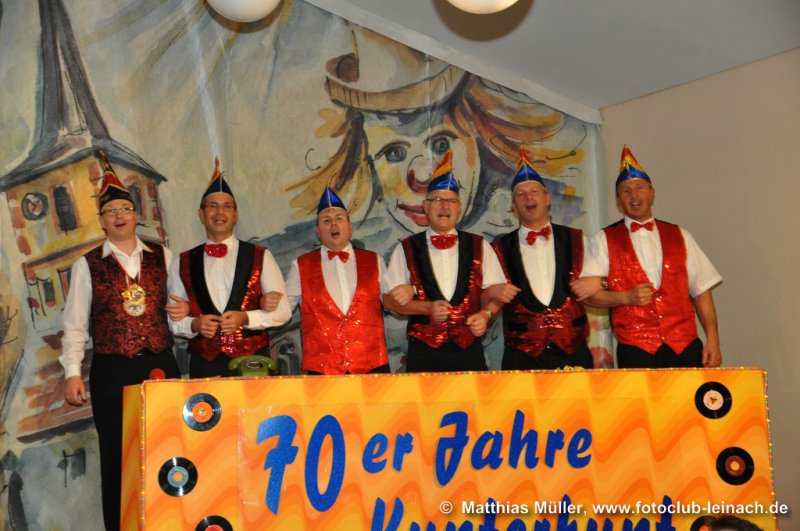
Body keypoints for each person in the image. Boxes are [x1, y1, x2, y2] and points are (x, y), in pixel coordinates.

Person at [60, 154, 184, 530]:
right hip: (112, 371)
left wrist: (185, 315)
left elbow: (178, 314)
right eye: (110, 211)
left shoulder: (163, 255)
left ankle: (170, 521)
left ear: (135, 214)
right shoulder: (87, 265)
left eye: (125, 208)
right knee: (117, 457)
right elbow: (75, 325)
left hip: (160, 363)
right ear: (102, 220)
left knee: (169, 448)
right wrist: (72, 372)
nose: (119, 216)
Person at [576, 145, 722, 368]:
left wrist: (713, 339)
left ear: (652, 193)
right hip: (636, 350)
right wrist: (625, 297)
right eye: (626, 191)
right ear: (618, 200)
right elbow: (589, 296)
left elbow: (702, 292)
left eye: (639, 188)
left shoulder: (681, 236)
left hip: (686, 347)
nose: (634, 195)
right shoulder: (603, 239)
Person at [383, 151, 508, 372]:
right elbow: (389, 302)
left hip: (469, 351)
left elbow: (497, 295)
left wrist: (486, 314)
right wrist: (426, 307)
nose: (445, 206)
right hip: (423, 354)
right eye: (438, 200)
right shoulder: (406, 248)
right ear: (426, 206)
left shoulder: (481, 246)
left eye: (451, 201)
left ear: (459, 207)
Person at [169, 158, 291, 377]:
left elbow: (283, 312)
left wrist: (246, 318)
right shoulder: (182, 261)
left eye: (227, 206)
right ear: (201, 214)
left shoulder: (261, 256)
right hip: (204, 365)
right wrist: (194, 324)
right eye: (213, 206)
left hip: (253, 363)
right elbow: (174, 319)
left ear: (235, 215)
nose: (220, 212)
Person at [488, 149, 595, 370]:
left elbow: (599, 285)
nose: (528, 197)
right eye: (521, 194)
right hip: (522, 357)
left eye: (534, 191)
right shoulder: (497, 249)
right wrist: (490, 296)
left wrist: (599, 282)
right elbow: (488, 296)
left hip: (573, 352)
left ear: (547, 198)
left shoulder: (578, 239)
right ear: (514, 206)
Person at [281, 187, 390, 374]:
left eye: (339, 218)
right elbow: (281, 311)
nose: (333, 224)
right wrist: (256, 311)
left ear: (349, 226)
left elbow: (394, 304)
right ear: (318, 231)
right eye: (326, 220)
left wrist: (408, 292)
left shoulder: (375, 261)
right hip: (322, 372)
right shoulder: (300, 266)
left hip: (373, 369)